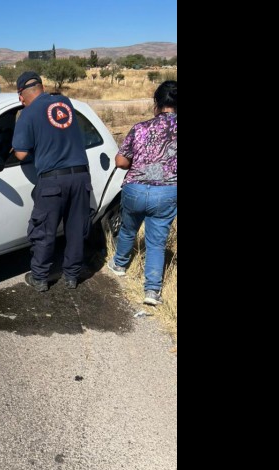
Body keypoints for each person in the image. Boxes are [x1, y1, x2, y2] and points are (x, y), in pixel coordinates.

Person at [11, 71, 92, 291]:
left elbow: (20, 154)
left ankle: (39, 278)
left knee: (44, 230)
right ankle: (72, 277)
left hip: (53, 181)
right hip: (81, 177)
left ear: (21, 96)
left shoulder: (27, 114)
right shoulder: (65, 103)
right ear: (42, 87)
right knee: (76, 229)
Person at [106, 80, 177, 306]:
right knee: (156, 242)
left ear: (157, 103)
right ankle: (152, 291)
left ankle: (119, 264)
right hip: (166, 192)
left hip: (134, 189)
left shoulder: (140, 128)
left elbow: (121, 161)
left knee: (128, 229)